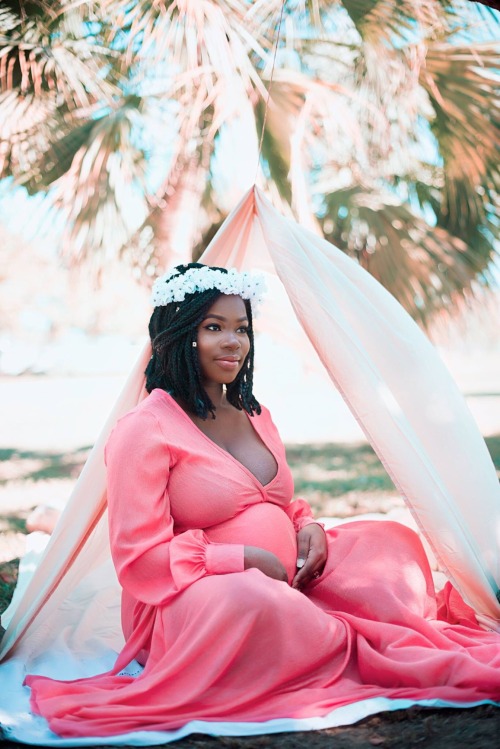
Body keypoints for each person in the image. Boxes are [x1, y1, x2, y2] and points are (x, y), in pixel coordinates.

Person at [25, 263, 500, 738]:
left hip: (287, 575)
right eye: (214, 327)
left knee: (390, 540)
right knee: (250, 598)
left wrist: (307, 528)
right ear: (180, 333)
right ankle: (330, 637)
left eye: (242, 329)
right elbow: (138, 559)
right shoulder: (143, 429)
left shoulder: (255, 412)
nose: (234, 342)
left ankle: (311, 621)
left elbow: (278, 501)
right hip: (195, 597)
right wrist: (241, 560)